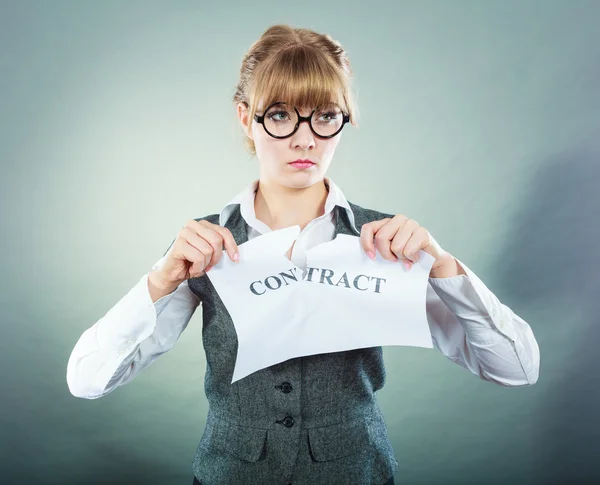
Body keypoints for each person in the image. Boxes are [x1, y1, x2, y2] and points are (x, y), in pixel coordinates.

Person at [67, 24, 540, 485]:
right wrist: (158, 282)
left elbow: (517, 369)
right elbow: (87, 380)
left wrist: (442, 265)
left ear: (343, 119)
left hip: (356, 473)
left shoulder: (386, 241)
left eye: (326, 115)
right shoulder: (203, 245)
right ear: (244, 117)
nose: (305, 139)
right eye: (279, 114)